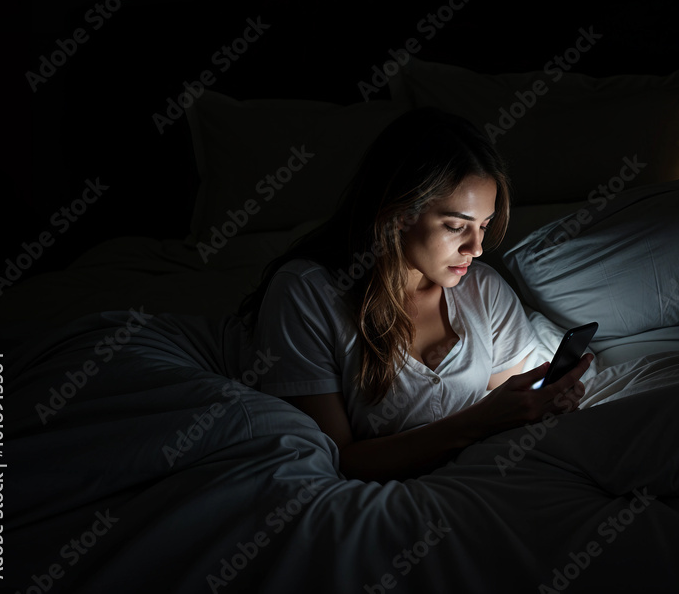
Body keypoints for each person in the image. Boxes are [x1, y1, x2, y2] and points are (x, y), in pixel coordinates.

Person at [236, 107, 591, 482]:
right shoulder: (307, 293)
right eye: (456, 226)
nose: (477, 247)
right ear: (397, 214)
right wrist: (479, 422)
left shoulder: (482, 289)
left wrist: (543, 404)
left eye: (484, 226)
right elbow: (339, 460)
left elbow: (513, 401)